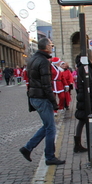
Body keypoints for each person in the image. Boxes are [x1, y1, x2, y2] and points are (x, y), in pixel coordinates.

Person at [19, 37, 65, 166]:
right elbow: (46, 84)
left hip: (34, 96)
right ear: (45, 47)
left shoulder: (32, 59)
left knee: (47, 126)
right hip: (41, 98)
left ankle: (27, 148)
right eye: (51, 45)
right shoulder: (44, 61)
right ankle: (49, 157)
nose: (52, 47)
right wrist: (53, 102)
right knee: (50, 128)